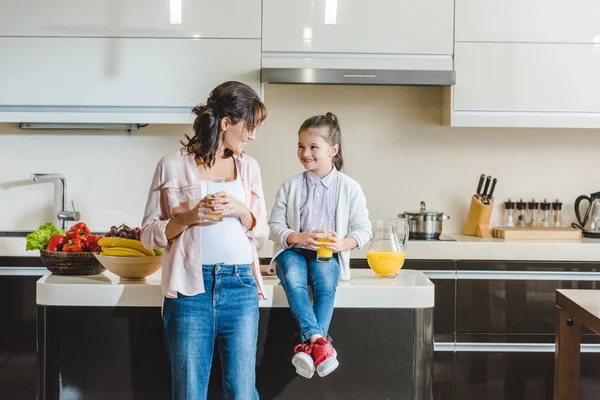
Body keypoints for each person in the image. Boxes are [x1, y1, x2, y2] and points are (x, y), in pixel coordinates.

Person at [140, 81, 268, 400]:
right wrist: (188, 217)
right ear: (226, 124)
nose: (252, 135)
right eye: (249, 127)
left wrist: (242, 211)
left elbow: (261, 235)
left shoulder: (249, 167)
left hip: (240, 287)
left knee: (241, 392)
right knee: (189, 392)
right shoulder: (172, 164)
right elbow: (147, 235)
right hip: (189, 291)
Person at [268, 112, 372, 379]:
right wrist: (297, 237)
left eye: (313, 147)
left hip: (327, 253)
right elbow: (273, 227)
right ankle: (321, 343)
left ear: (333, 150)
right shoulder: (290, 185)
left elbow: (364, 230)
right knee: (293, 278)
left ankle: (309, 346)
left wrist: (343, 244)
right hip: (292, 251)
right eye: (301, 146)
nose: (305, 153)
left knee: (326, 284)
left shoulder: (350, 187)